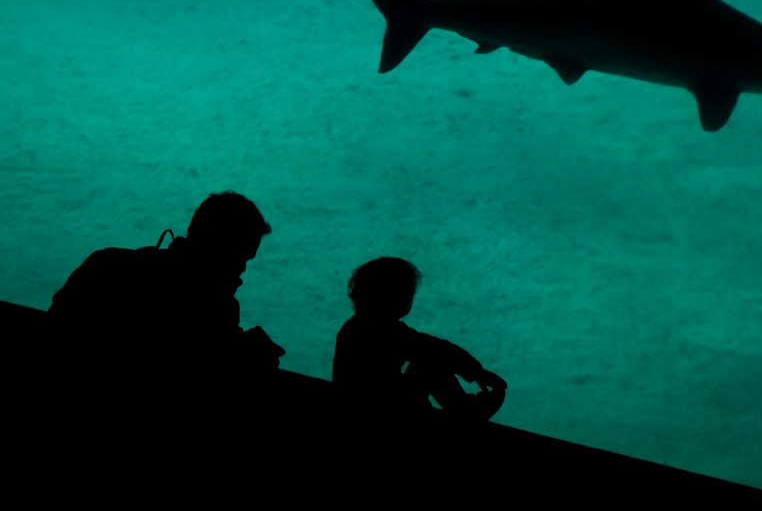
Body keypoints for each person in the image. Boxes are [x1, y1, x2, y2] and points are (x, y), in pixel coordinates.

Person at [48, 190, 285, 411]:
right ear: (218, 248)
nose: (242, 269)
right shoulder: (218, 309)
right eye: (239, 257)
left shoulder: (105, 264)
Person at [332, 256, 506, 424]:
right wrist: (477, 372)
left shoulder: (354, 327)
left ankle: (462, 408)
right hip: (384, 410)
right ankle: (464, 411)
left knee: (429, 361)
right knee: (431, 364)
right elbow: (435, 349)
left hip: (359, 406)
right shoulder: (385, 330)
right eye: (407, 292)